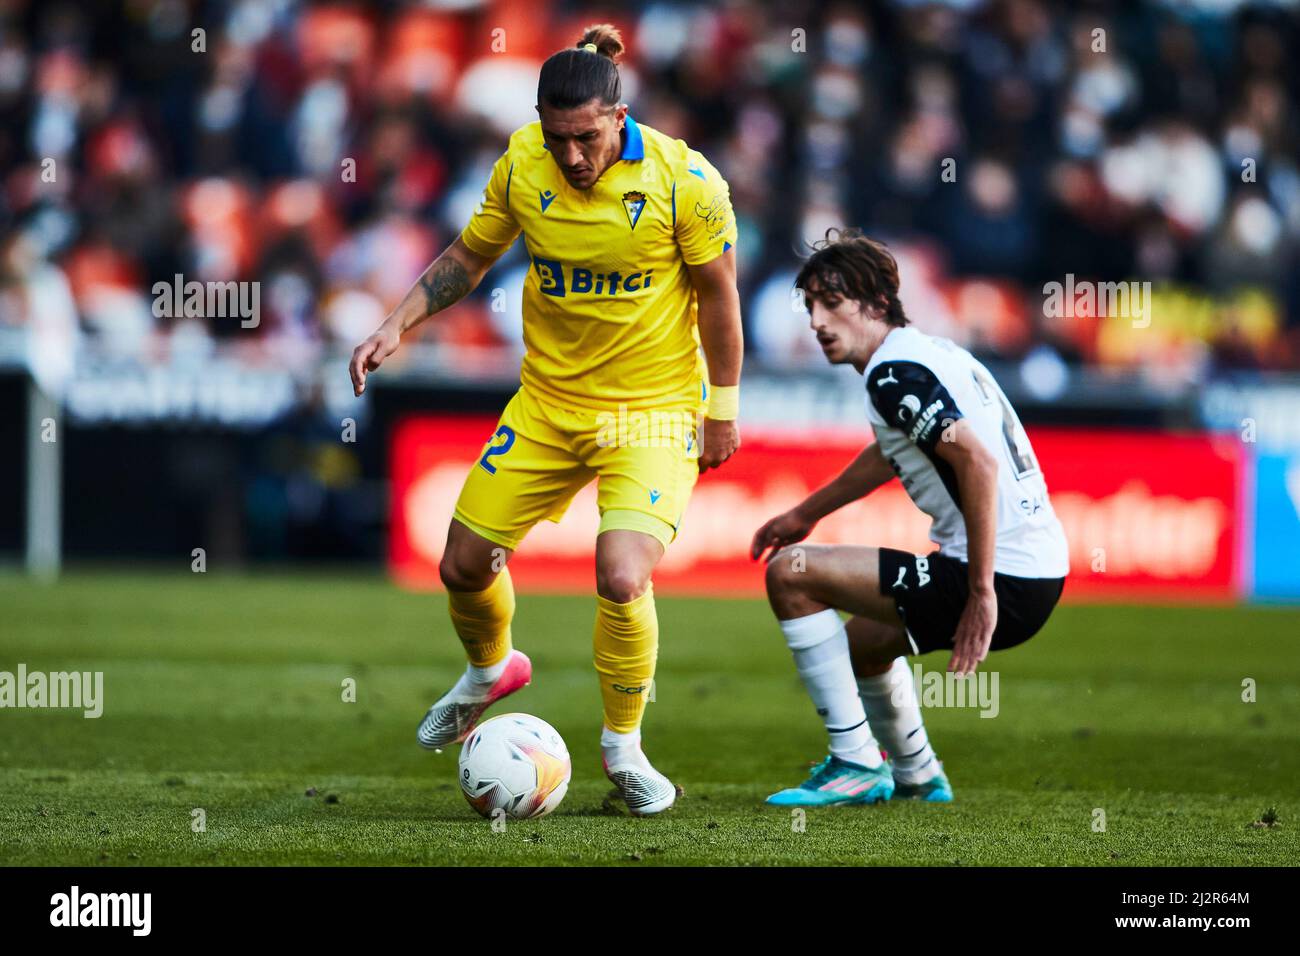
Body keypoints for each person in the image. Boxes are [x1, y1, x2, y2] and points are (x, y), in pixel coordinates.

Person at [349, 24, 742, 816]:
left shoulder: (685, 181)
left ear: (620, 116)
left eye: (586, 138)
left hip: (653, 409)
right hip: (549, 404)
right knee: (462, 564)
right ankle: (491, 670)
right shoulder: (522, 163)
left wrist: (722, 405)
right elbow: (469, 255)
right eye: (557, 137)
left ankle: (624, 752)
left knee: (623, 575)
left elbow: (719, 295)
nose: (570, 156)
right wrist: (398, 322)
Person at [750, 229, 1068, 806]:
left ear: (875, 303)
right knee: (865, 646)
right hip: (1040, 569)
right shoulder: (931, 353)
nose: (818, 321)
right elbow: (894, 452)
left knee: (789, 574)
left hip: (1001, 577)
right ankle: (919, 775)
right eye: (812, 306)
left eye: (833, 303)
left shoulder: (893, 374)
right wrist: (805, 512)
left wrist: (980, 591)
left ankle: (854, 763)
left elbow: (976, 459)